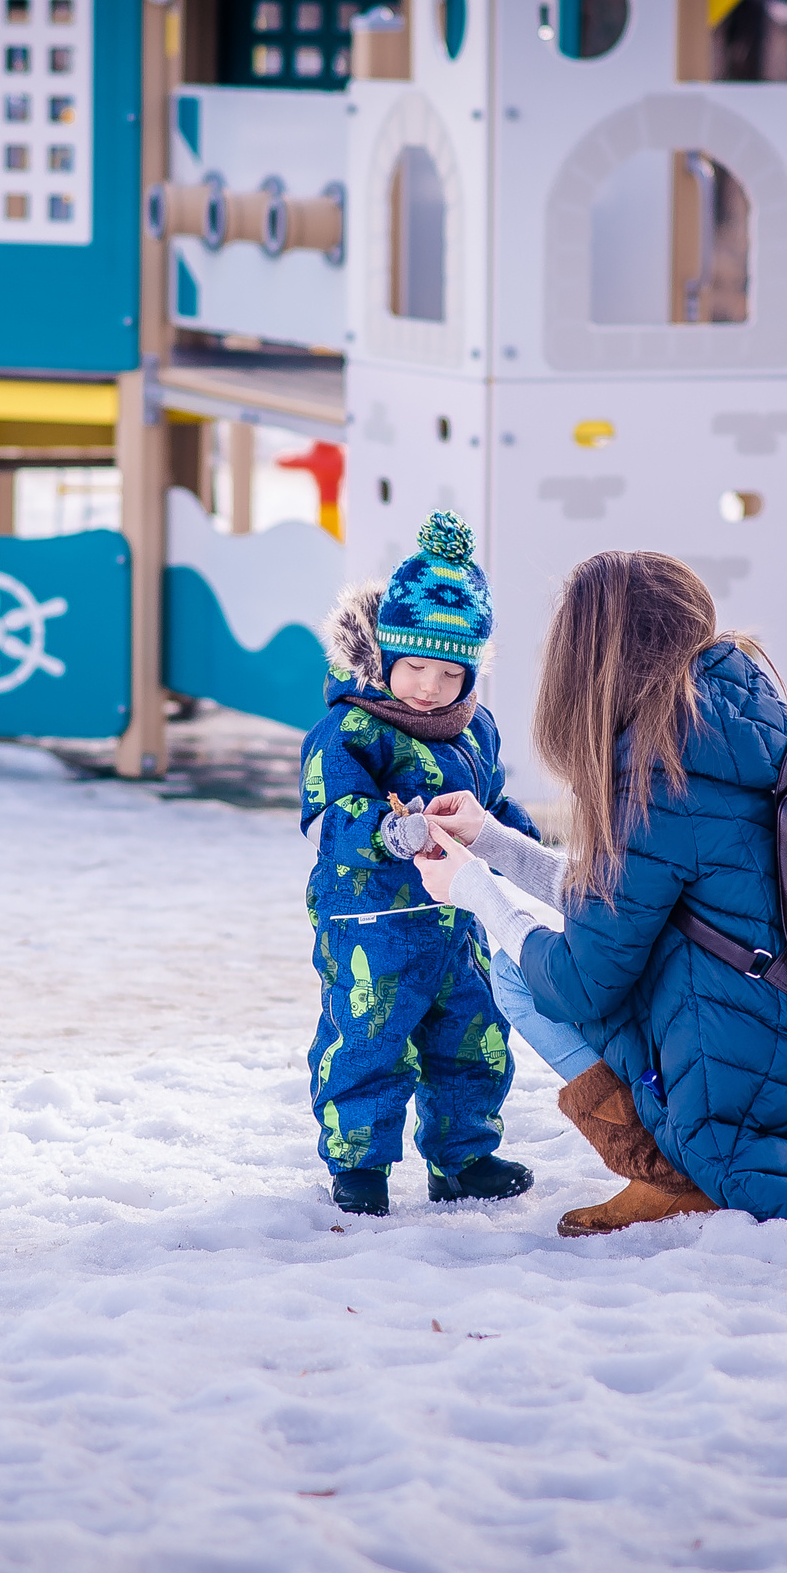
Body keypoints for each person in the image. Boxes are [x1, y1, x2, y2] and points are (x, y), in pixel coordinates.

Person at [413, 551, 787, 1236]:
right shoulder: (734, 732)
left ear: (597, 660)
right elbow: (623, 906)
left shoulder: (658, 775)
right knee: (552, 954)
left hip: (742, 1124)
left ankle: (673, 1175)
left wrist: (474, 892)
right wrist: (495, 844)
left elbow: (582, 983)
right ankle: (685, 1163)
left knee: (515, 971)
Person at [300, 512, 542, 1217]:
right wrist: (390, 830)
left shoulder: (477, 728)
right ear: (384, 658)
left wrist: (531, 857)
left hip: (455, 919)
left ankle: (464, 1157)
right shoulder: (351, 727)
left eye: (448, 671)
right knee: (366, 1040)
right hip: (372, 924)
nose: (431, 686)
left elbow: (492, 810)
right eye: (415, 667)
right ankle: (360, 1165)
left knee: (473, 1037)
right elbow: (334, 815)